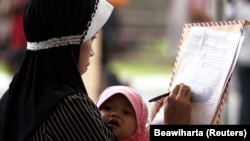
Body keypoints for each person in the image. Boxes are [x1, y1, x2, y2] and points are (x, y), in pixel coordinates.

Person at [0, 0, 193, 140]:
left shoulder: (11, 98)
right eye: (90, 39)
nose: (92, 51)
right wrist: (173, 127)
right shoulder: (69, 107)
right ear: (72, 42)